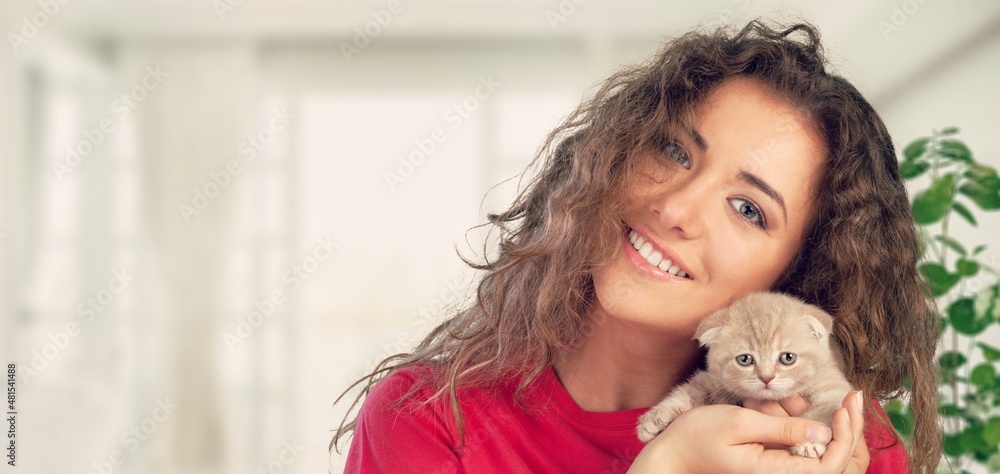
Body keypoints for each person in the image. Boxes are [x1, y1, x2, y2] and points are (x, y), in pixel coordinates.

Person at [332, 20, 941, 474]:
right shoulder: (428, 418)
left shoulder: (840, 440)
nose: (675, 209)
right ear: (617, 150)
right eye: (674, 151)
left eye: (748, 209)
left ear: (798, 271)